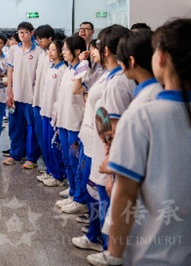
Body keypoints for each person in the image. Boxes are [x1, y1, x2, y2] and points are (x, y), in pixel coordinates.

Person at [91, 19, 191, 266]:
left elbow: (125, 194)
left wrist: (114, 255)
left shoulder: (145, 115)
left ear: (161, 58)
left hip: (154, 253)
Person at [85, 24, 135, 258]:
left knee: (109, 210)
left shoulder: (117, 83)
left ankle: (110, 254)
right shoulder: (114, 77)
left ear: (105, 50)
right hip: (106, 158)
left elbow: (113, 131)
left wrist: (111, 171)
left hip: (110, 162)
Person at [71, 39, 108, 252]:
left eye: (95, 48)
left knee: (96, 190)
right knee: (90, 187)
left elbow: (106, 115)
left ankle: (98, 237)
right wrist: (84, 64)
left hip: (98, 142)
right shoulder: (98, 74)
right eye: (91, 48)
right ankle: (94, 232)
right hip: (89, 136)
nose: (91, 51)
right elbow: (78, 89)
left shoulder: (113, 79)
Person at [53, 35, 87, 213]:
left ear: (77, 51)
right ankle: (73, 191)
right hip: (64, 121)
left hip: (75, 122)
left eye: (66, 49)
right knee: (67, 159)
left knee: (76, 162)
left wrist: (83, 62)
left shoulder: (84, 70)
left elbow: (78, 91)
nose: (63, 52)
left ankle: (79, 198)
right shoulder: (67, 70)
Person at [4, 21, 42, 168]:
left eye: (25, 32)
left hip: (31, 97)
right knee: (15, 127)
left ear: (32, 33)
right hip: (16, 95)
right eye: (20, 32)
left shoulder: (39, 52)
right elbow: (10, 71)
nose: (22, 35)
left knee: (31, 128)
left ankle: (31, 158)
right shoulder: (14, 50)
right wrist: (9, 92)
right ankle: (15, 154)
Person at [37, 38, 68, 187]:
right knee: (46, 144)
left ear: (61, 52)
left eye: (53, 49)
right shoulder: (50, 68)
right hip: (46, 111)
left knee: (54, 145)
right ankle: (50, 171)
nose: (50, 52)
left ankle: (58, 175)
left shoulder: (63, 70)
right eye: (49, 49)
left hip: (55, 115)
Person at [32, 25, 55, 173]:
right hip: (37, 101)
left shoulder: (55, 59)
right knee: (41, 137)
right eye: (37, 40)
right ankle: (48, 166)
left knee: (49, 139)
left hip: (48, 104)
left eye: (41, 39)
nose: (39, 42)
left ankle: (53, 169)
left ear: (50, 38)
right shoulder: (41, 55)